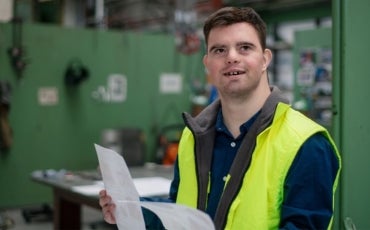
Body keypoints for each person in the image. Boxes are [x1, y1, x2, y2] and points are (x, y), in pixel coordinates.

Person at [99, 6, 341, 230]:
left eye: (245, 47)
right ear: (207, 63)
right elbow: (181, 214)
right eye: (219, 50)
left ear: (265, 59)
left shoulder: (306, 144)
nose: (231, 57)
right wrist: (130, 210)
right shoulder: (193, 137)